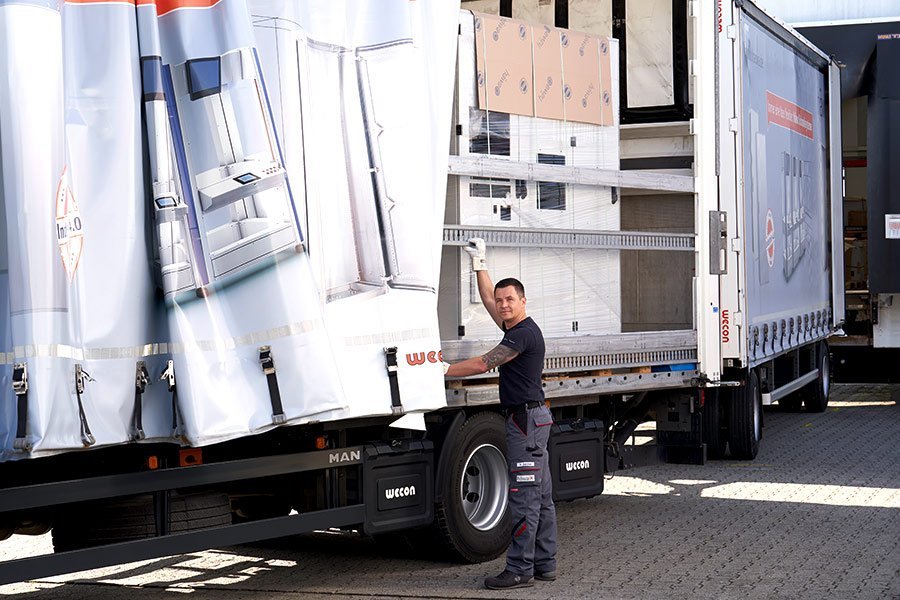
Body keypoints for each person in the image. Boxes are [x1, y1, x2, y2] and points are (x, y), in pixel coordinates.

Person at [444, 238, 557, 590]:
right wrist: (480, 263)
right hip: (533, 420)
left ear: (524, 302)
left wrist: (440, 370)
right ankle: (545, 564)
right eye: (501, 299)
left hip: (525, 424)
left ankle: (520, 569)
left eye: (511, 300)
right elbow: (489, 299)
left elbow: (482, 363)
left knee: (524, 499)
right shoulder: (514, 325)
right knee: (541, 497)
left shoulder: (522, 335)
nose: (503, 305)